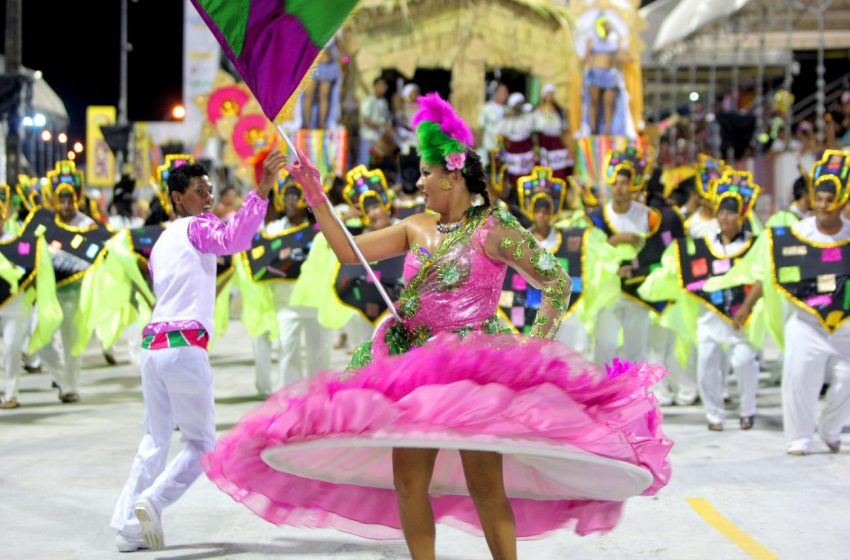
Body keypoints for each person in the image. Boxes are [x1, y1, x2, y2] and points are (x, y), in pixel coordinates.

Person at [203, 94, 671, 560]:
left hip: (473, 370)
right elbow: (350, 252)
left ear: (453, 174)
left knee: (485, 484)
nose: (420, 182)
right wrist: (316, 196)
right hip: (410, 364)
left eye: (427, 173)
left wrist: (533, 348)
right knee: (408, 482)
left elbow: (555, 281)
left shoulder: (494, 227)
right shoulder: (416, 226)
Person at [110, 158, 277, 552]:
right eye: (199, 190)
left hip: (152, 347)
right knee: (201, 444)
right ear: (177, 198)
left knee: (154, 439)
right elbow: (236, 239)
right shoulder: (199, 226)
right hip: (184, 347)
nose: (208, 196)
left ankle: (126, 527)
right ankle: (151, 501)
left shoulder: (162, 241)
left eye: (210, 190)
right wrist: (263, 189)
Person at [704, 150, 850, 454]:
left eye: (829, 199)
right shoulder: (793, 235)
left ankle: (830, 427)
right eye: (819, 199)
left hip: (845, 325)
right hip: (806, 321)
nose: (823, 206)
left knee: (846, 382)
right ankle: (800, 437)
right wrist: (747, 306)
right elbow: (762, 272)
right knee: (799, 379)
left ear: (842, 199)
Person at [641, 170, 763, 431]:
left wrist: (747, 307)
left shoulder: (753, 245)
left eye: (730, 213)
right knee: (706, 364)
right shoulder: (703, 246)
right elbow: (678, 268)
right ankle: (714, 415)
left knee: (743, 363)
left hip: (740, 319)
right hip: (708, 317)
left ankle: (747, 409)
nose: (725, 217)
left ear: (741, 216)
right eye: (722, 212)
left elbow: (762, 276)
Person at [249, 173, 330, 395]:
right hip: (285, 301)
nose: (291, 201)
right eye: (288, 196)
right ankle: (289, 399)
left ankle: (320, 396)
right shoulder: (273, 229)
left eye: (296, 196)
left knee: (318, 352)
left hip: (315, 301)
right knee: (287, 350)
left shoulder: (320, 229)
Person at [586, 148, 657, 367]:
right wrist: (616, 240)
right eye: (616, 183)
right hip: (609, 290)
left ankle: (634, 394)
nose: (620, 188)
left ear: (633, 184)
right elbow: (592, 252)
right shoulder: (598, 216)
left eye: (625, 183)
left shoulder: (647, 215)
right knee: (605, 344)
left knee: (636, 347)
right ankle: (603, 393)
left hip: (637, 288)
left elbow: (654, 249)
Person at [532, 84, 572, 180]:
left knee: (559, 170)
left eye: (552, 94)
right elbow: (535, 131)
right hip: (544, 142)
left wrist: (568, 147)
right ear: (543, 95)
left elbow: (563, 131)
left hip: (557, 143)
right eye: (548, 94)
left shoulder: (559, 111)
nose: (550, 96)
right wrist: (535, 146)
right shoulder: (538, 111)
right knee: (544, 169)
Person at [358, 77, 392, 166]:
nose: (383, 87)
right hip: (367, 136)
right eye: (380, 85)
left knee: (378, 162)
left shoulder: (384, 102)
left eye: (385, 85)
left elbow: (386, 119)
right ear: (375, 86)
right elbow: (365, 120)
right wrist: (380, 126)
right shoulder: (369, 100)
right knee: (364, 160)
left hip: (378, 136)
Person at [476, 82, 508, 161]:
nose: (504, 94)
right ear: (496, 93)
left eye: (506, 92)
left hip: (503, 147)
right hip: (489, 146)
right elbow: (481, 127)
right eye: (502, 92)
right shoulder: (487, 108)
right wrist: (478, 146)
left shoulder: (507, 109)